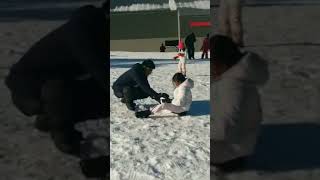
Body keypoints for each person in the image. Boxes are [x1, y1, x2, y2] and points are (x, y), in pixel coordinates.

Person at [4, 2, 109, 158]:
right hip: (29, 89)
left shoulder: (105, 30)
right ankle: (62, 131)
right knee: (60, 89)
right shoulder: (83, 28)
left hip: (57, 86)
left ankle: (50, 117)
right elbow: (99, 69)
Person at [210, 35, 269, 172]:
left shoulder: (233, 86)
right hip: (240, 141)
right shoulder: (233, 76)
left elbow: (224, 130)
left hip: (228, 153)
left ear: (221, 63)